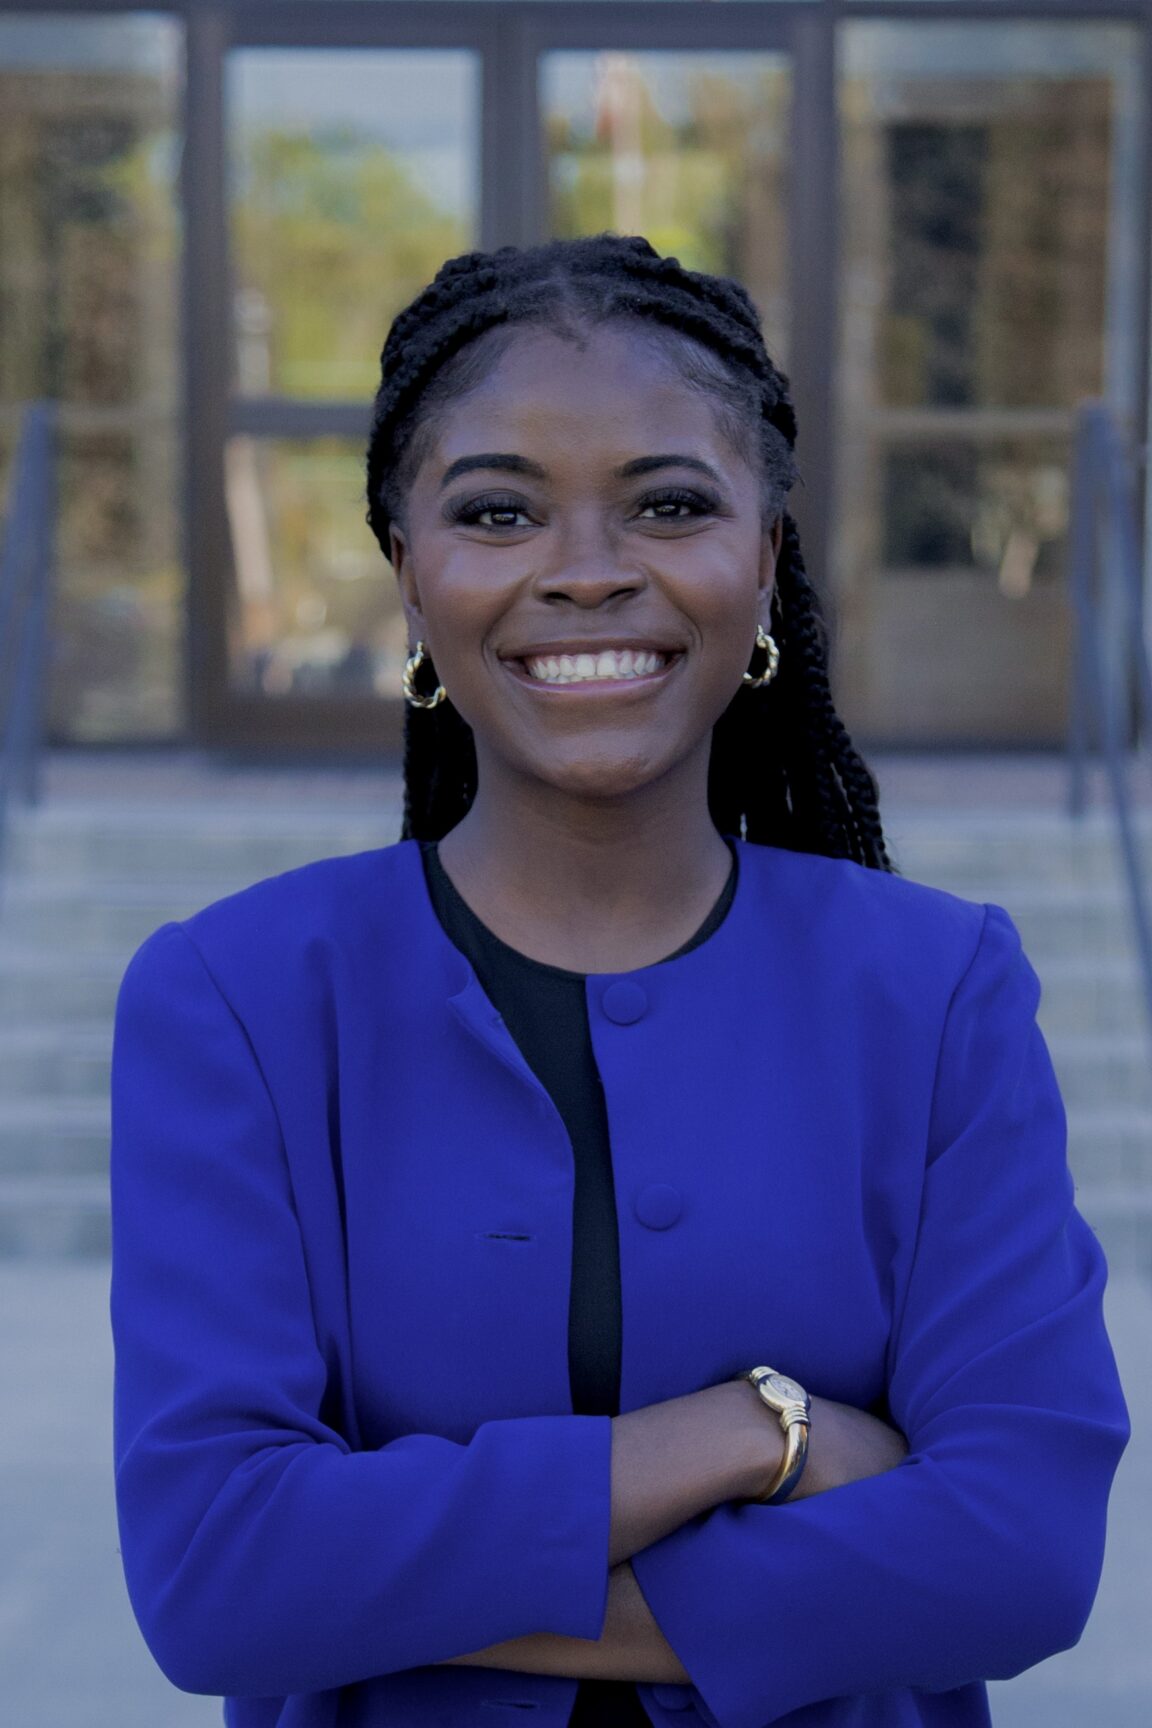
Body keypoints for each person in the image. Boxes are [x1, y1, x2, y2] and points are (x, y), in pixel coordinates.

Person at [109, 234, 1131, 1728]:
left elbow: (1022, 1559)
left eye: (667, 504)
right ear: (409, 576)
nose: (586, 572)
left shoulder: (937, 992)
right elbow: (213, 1578)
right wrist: (748, 1435)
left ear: (764, 559)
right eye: (498, 511)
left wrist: (400, 1585)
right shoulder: (238, 1001)